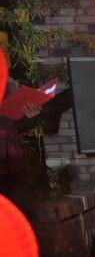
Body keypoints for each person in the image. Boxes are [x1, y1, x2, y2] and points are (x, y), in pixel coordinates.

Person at [1, 76, 41, 211]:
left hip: (10, 162)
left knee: (17, 212)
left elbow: (19, 125)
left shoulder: (8, 82)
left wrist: (31, 115)